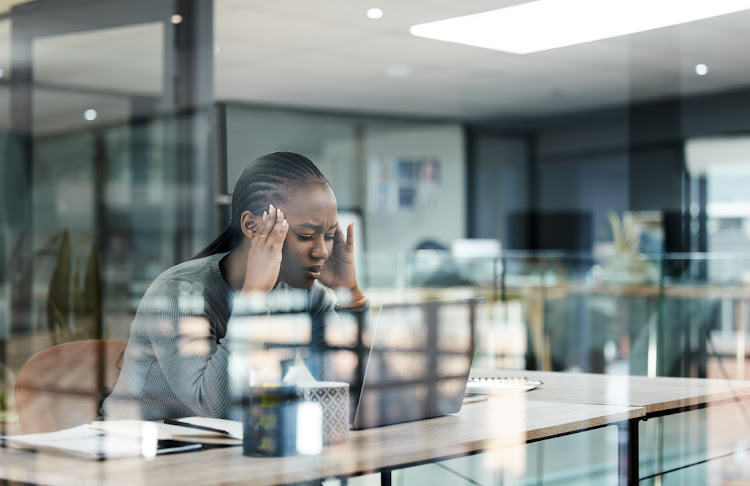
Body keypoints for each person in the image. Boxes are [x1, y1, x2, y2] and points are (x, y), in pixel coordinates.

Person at [102, 151, 369, 421]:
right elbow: (215, 405)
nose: (322, 251)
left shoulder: (309, 296)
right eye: (306, 235)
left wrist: (350, 295)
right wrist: (253, 299)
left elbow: (349, 394)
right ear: (253, 227)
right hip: (138, 449)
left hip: (228, 449)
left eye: (330, 236)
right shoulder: (178, 293)